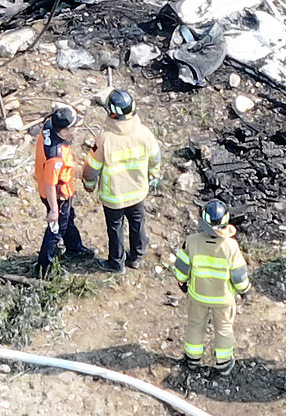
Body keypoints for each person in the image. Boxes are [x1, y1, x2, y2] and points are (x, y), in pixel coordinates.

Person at [82, 88, 162, 273]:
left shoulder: (104, 140)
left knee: (115, 229)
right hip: (138, 192)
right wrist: (152, 175)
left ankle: (116, 263)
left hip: (114, 196)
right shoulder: (144, 134)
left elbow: (90, 170)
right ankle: (137, 256)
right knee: (137, 224)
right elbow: (155, 158)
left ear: (111, 113)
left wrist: (89, 185)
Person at [172, 199, 251, 374]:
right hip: (223, 299)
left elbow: (182, 269)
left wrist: (182, 283)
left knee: (195, 325)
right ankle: (224, 364)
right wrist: (245, 290)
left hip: (197, 295)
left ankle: (192, 359)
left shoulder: (192, 241)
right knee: (224, 329)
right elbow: (238, 276)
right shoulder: (231, 246)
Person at [32, 104, 95, 277]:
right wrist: (53, 210)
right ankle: (44, 269)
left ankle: (74, 248)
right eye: (74, 126)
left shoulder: (48, 126)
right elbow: (50, 184)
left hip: (58, 192)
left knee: (68, 219)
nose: (78, 127)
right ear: (64, 131)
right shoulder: (56, 157)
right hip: (57, 196)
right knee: (55, 229)